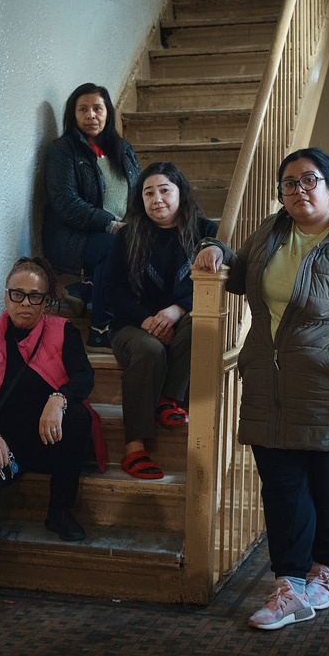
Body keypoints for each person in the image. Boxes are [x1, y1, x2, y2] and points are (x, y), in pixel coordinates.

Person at [194, 147, 329, 630]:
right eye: (289, 183)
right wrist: (218, 251)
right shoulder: (271, 231)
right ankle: (290, 584)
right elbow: (240, 272)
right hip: (272, 386)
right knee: (283, 490)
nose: (299, 190)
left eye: (310, 180)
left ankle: (323, 572)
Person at [0, 257, 96, 613]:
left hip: (50, 440)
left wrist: (59, 398)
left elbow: (84, 377)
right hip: (6, 445)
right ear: (6, 296)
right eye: (18, 295)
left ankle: (59, 511)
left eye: (35, 297)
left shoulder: (63, 332)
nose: (25, 304)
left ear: (47, 302)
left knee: (77, 416)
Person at [108, 162, 219, 479]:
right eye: (148, 192)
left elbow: (215, 282)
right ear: (140, 201)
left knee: (201, 323)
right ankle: (134, 448)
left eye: (165, 190)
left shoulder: (205, 232)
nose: (157, 198)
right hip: (131, 325)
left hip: (180, 321)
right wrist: (146, 320)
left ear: (180, 193)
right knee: (150, 350)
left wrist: (176, 311)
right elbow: (110, 291)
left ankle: (169, 400)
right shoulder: (128, 236)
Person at [43, 83, 141, 352]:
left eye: (98, 108)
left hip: (119, 232)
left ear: (107, 112)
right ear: (72, 115)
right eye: (82, 109)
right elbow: (66, 203)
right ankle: (100, 330)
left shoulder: (124, 150)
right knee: (117, 248)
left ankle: (85, 290)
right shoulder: (62, 151)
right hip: (73, 237)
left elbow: (140, 193)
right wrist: (110, 225)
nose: (91, 115)